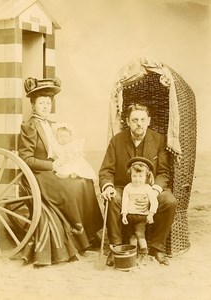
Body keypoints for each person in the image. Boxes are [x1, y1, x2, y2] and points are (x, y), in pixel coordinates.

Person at [18, 77, 103, 266]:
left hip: (54, 167)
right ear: (33, 105)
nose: (45, 106)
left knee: (84, 182)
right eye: (41, 103)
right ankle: (76, 232)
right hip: (39, 174)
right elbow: (26, 159)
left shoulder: (52, 125)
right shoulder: (29, 127)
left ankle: (88, 235)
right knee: (70, 189)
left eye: (48, 103)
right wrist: (52, 166)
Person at [99, 103, 177, 266]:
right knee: (113, 199)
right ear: (127, 121)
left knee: (169, 201)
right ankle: (117, 247)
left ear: (148, 121)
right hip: (124, 187)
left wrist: (154, 190)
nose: (139, 123)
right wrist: (108, 186)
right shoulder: (117, 140)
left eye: (142, 119)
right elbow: (106, 170)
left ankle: (157, 247)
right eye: (135, 120)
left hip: (150, 188)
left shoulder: (158, 140)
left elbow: (163, 172)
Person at [121, 157, 158, 261]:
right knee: (131, 236)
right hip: (130, 216)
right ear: (130, 176)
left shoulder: (147, 188)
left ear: (146, 176)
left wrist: (151, 214)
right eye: (134, 176)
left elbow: (154, 202)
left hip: (141, 217)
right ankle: (134, 251)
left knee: (139, 234)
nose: (137, 179)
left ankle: (144, 252)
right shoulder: (128, 187)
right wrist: (124, 214)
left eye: (140, 176)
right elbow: (125, 201)